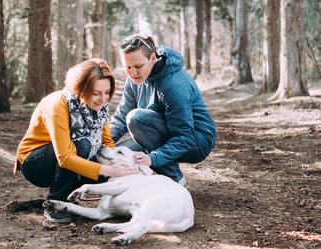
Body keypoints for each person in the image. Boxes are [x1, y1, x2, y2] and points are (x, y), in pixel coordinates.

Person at [14, 58, 138, 224]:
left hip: (74, 157)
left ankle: (69, 195)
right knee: (82, 144)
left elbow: (107, 142)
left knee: (105, 163)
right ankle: (55, 202)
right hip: (36, 164)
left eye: (107, 92)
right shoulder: (58, 104)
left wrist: (116, 164)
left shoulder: (100, 106)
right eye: (96, 93)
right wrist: (108, 170)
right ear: (81, 89)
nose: (103, 99)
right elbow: (65, 157)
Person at [110, 33, 216, 186]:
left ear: (153, 58)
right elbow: (120, 117)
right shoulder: (134, 79)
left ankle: (176, 180)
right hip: (157, 133)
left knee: (136, 118)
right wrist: (100, 145)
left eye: (138, 66)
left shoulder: (174, 85)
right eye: (127, 67)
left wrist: (153, 158)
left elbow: (184, 137)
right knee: (112, 159)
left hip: (196, 141)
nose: (133, 73)